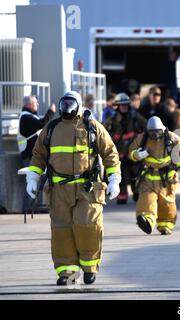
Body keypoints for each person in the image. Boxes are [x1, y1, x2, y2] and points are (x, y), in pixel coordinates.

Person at [25, 91, 121, 286]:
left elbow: (110, 153)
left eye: (70, 103)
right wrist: (33, 177)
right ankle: (67, 272)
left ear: (78, 105)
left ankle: (90, 268)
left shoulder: (92, 127)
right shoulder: (51, 128)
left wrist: (114, 179)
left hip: (87, 188)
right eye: (64, 103)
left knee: (87, 227)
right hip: (59, 190)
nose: (66, 107)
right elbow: (38, 155)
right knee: (61, 230)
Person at [128, 116, 180, 236]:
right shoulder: (142, 138)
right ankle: (147, 222)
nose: (155, 134)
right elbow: (131, 152)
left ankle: (166, 225)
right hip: (148, 177)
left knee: (167, 203)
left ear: (162, 129)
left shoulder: (172, 138)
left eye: (157, 131)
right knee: (146, 200)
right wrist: (138, 155)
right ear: (148, 131)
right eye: (152, 132)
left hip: (167, 178)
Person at [104, 93, 147, 204]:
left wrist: (139, 137)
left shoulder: (135, 116)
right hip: (120, 152)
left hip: (133, 150)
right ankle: (121, 197)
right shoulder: (113, 118)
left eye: (126, 105)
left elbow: (147, 126)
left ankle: (137, 192)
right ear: (118, 106)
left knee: (136, 174)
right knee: (121, 176)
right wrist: (113, 136)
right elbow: (102, 130)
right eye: (121, 105)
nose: (124, 107)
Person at [17, 95, 56, 213]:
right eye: (35, 102)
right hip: (30, 155)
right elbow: (42, 123)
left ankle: (34, 206)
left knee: (35, 181)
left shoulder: (29, 116)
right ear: (28, 104)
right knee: (31, 181)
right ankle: (28, 208)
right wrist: (51, 112)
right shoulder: (26, 117)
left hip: (32, 155)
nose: (37, 104)